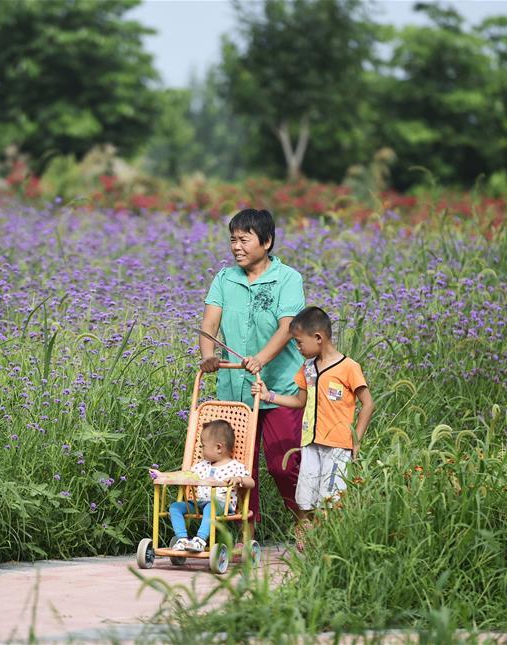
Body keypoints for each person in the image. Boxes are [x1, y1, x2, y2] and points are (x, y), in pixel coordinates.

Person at [200, 208, 306, 532]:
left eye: (244, 240)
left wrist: (260, 358)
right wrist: (208, 357)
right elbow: (210, 325)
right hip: (235, 390)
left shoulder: (288, 279)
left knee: (282, 464)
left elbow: (288, 327)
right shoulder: (224, 278)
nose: (236, 247)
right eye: (232, 240)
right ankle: (246, 532)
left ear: (267, 241)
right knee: (240, 467)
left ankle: (304, 518)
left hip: (278, 388)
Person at [251, 306, 375, 550]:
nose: (297, 348)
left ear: (318, 337)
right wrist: (269, 396)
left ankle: (331, 544)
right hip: (310, 444)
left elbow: (368, 404)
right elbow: (300, 401)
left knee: (332, 498)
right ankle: (308, 537)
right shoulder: (307, 368)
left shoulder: (349, 367)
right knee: (306, 496)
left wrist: (355, 440)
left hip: (338, 445)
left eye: (299, 342)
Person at [150, 420, 255, 552]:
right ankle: (182, 539)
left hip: (221, 505)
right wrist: (163, 475)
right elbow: (185, 475)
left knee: (211, 506)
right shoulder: (202, 466)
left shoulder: (235, 467)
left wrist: (238, 479)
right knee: (175, 507)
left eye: (203, 446)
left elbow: (251, 482)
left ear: (218, 448)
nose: (201, 450)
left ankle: (200, 540)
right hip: (199, 503)